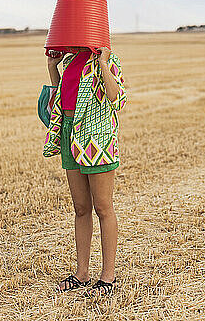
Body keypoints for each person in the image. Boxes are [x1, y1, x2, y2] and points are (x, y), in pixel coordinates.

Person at [43, 45, 128, 296]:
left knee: (103, 207)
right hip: (69, 132)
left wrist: (103, 64)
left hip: (96, 138)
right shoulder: (69, 59)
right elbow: (62, 95)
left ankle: (108, 277)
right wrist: (52, 68)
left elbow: (118, 99)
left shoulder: (108, 59)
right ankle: (81, 274)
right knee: (81, 208)